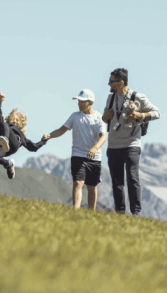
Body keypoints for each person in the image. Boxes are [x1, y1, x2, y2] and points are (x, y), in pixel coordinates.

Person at [101, 68, 160, 215]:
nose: (109, 84)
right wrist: (105, 116)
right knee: (117, 182)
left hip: (131, 145)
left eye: (111, 81)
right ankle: (120, 212)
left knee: (132, 179)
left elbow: (157, 113)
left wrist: (140, 115)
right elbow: (105, 118)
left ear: (121, 83)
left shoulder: (137, 96)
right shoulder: (110, 98)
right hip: (113, 145)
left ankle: (135, 213)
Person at [42, 89, 106, 210]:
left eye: (82, 101)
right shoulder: (74, 116)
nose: (79, 103)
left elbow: (103, 136)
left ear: (90, 102)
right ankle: (75, 211)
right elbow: (61, 130)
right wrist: (49, 135)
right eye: (78, 101)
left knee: (92, 187)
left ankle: (91, 213)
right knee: (78, 183)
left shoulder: (99, 118)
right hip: (77, 155)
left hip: (94, 157)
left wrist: (95, 148)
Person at [0, 98, 47, 179]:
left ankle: (5, 139)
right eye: (14, 118)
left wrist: (43, 141)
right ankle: (9, 164)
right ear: (10, 117)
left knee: (5, 125)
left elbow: (33, 147)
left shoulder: (21, 134)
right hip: (6, 148)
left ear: (20, 122)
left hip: (14, 144)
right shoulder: (3, 126)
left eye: (17, 120)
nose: (15, 121)